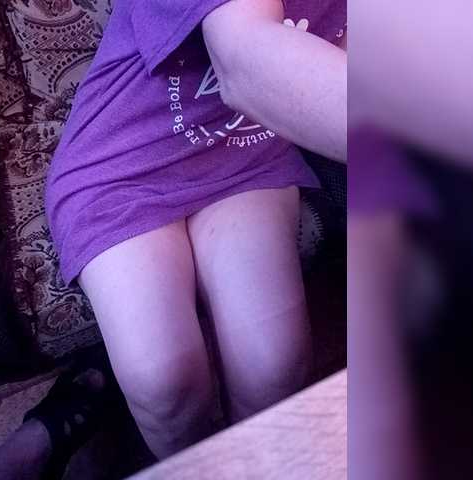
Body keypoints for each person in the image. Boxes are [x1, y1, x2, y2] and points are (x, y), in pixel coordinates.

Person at [45, 0, 346, 460]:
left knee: (275, 369)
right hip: (120, 168)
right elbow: (246, 61)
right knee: (165, 382)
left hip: (245, 157)